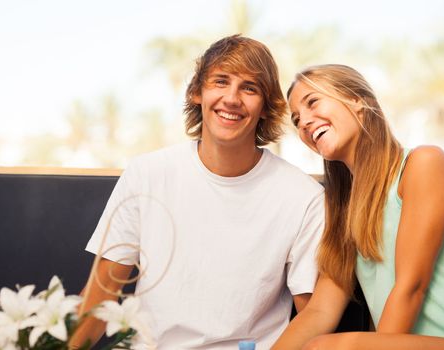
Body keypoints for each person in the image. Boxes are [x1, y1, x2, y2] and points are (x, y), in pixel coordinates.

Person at [70, 35, 325, 349]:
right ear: (196, 93)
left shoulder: (303, 197)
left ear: (265, 107)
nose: (232, 98)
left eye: (249, 88)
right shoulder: (146, 174)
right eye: (220, 81)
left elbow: (312, 317)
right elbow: (102, 293)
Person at [272, 64, 444, 350]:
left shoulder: (424, 164)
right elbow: (319, 312)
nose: (304, 121)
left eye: (313, 102)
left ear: (357, 100)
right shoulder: (343, 209)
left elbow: (410, 288)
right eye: (296, 119)